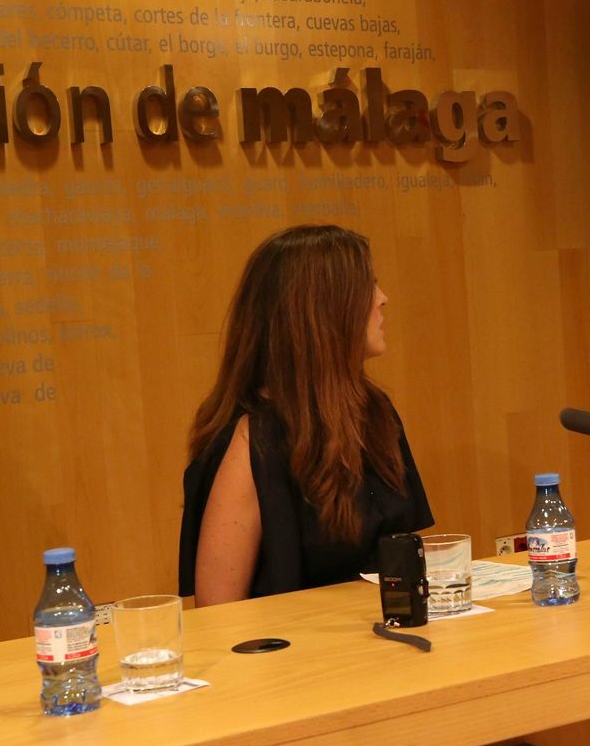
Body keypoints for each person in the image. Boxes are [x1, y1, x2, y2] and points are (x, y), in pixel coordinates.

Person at [179, 225, 433, 606]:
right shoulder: (253, 442)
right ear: (324, 311)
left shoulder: (375, 412)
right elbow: (218, 617)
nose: (383, 299)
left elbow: (409, 562)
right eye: (368, 287)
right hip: (297, 660)